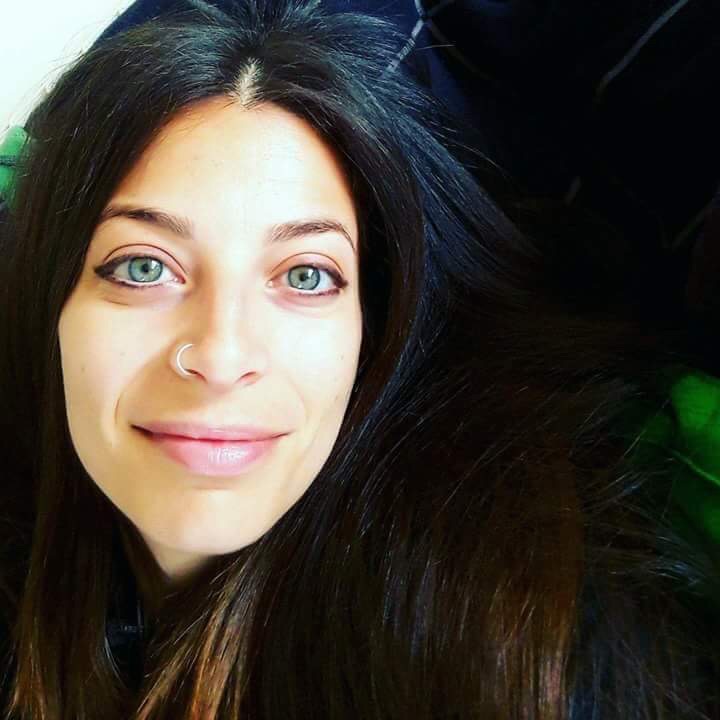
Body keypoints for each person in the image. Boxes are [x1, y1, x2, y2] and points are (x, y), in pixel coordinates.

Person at [0, 1, 718, 718]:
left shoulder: (519, 648)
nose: (220, 356)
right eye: (144, 268)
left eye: (306, 276)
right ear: (48, 301)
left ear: (374, 332)